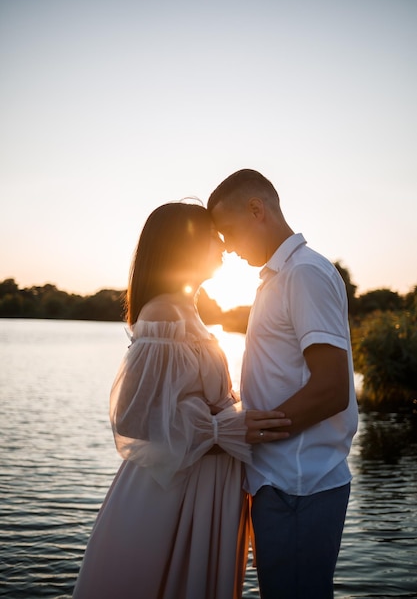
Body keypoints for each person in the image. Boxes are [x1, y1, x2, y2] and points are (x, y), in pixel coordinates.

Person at [72, 201, 291, 599]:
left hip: (204, 485)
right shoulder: (163, 315)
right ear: (183, 244)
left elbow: (192, 400)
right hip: (174, 494)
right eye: (212, 235)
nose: (223, 245)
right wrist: (224, 426)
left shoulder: (187, 310)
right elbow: (134, 417)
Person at [207, 170, 359, 599]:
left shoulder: (305, 274)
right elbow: (282, 374)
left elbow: (332, 389)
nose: (229, 247)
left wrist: (247, 431)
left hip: (300, 483)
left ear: (257, 209)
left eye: (229, 231)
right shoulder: (277, 278)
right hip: (280, 483)